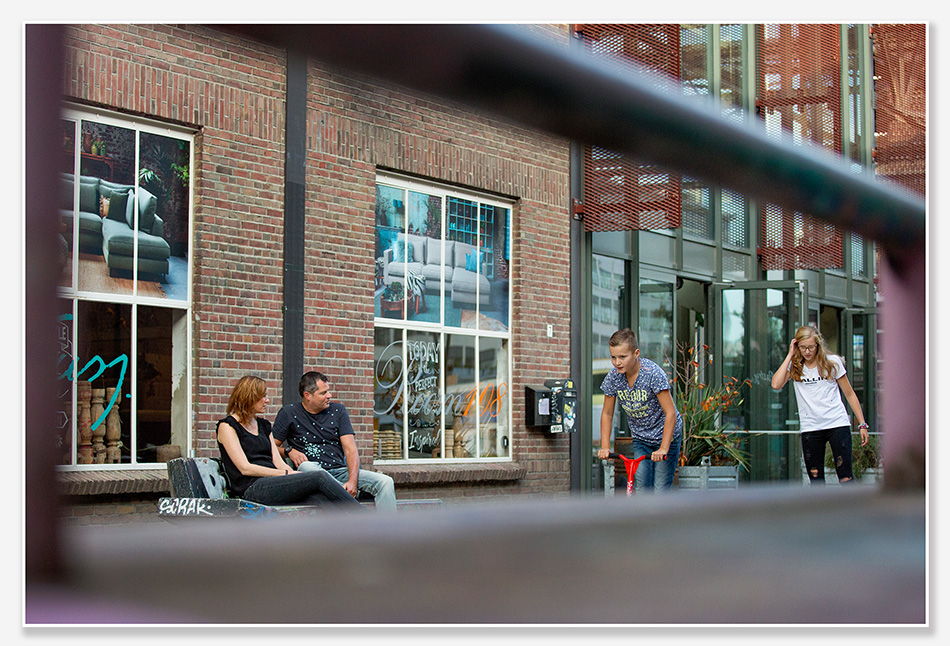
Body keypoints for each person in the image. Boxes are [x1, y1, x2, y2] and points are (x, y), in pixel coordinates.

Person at [216, 375, 361, 510]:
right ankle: (365, 518)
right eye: (263, 396)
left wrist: (293, 474)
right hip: (252, 487)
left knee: (319, 498)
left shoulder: (263, 425)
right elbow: (245, 468)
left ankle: (347, 534)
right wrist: (285, 474)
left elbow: (278, 461)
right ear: (249, 397)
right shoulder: (228, 426)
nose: (267, 400)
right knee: (319, 476)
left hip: (274, 484)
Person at [273, 371, 397, 512]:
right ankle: (347, 499)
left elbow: (350, 449)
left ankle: (387, 531)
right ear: (307, 395)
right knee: (307, 467)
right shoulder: (289, 413)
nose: (329, 396)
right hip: (310, 475)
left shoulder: (338, 411)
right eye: (323, 393)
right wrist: (289, 451)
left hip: (339, 471)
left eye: (328, 391)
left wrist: (352, 482)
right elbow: (271, 447)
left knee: (386, 482)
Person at [771, 325, 869, 485]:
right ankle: (823, 510)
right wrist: (790, 355)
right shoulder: (795, 366)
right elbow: (775, 384)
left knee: (846, 477)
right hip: (811, 427)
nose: (807, 351)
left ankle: (851, 510)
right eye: (803, 348)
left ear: (818, 345)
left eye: (811, 347)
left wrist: (862, 424)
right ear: (797, 346)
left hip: (837, 423)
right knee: (816, 481)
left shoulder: (832, 362)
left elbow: (849, 394)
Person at [596, 329, 682, 493]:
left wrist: (663, 448)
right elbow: (607, 413)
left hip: (665, 437)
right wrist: (605, 447)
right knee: (642, 488)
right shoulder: (614, 377)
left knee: (660, 490)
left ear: (636, 353)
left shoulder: (653, 374)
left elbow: (670, 413)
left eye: (622, 357)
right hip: (641, 439)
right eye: (613, 357)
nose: (617, 362)